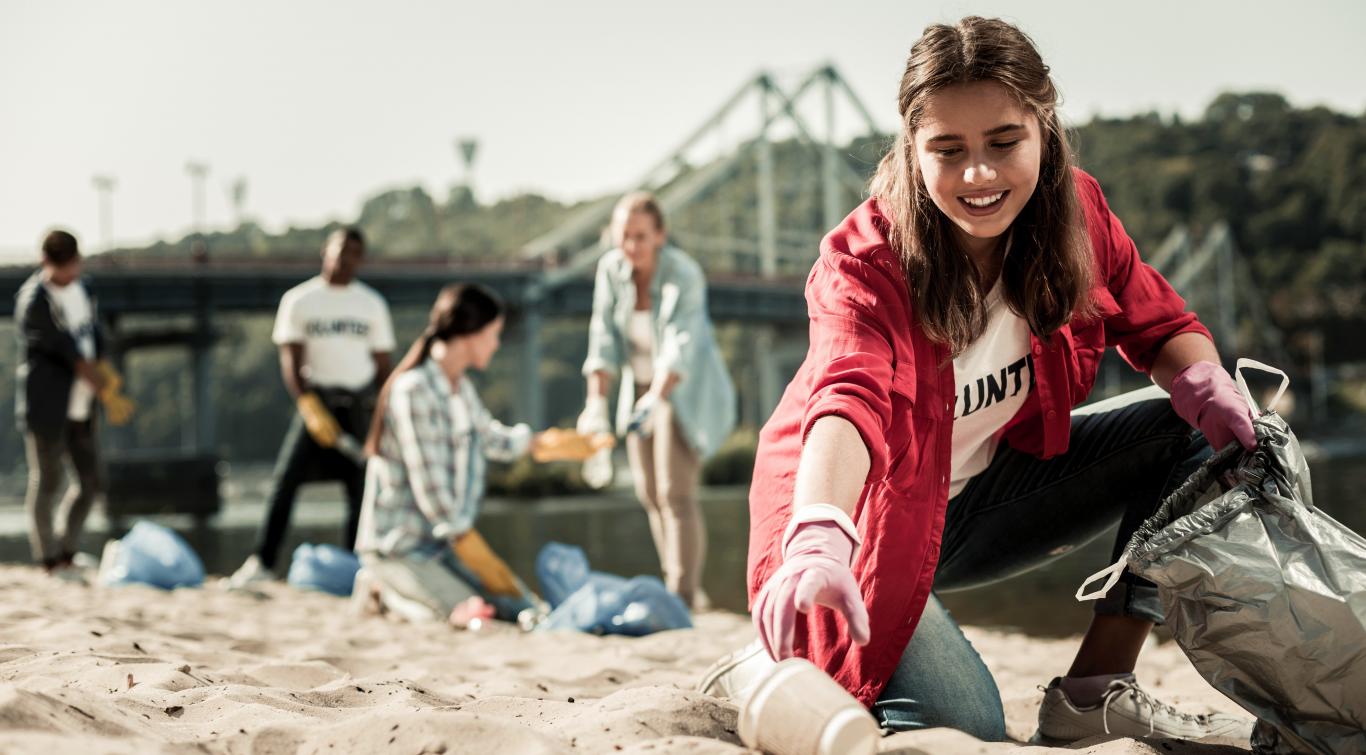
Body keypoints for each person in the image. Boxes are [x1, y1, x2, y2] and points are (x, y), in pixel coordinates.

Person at [731, 17, 1259, 744]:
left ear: (1044, 127)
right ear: (912, 150)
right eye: (948, 151)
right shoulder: (866, 260)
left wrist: (1206, 384)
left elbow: (1165, 326)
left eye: (1004, 143)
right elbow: (845, 400)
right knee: (963, 724)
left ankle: (1094, 688)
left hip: (980, 498)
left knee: (1188, 432)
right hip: (854, 520)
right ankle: (752, 667)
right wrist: (820, 529)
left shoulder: (1079, 215)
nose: (979, 175)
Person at [355, 283, 551, 624]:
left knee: (521, 610)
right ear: (470, 334)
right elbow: (430, 487)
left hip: (442, 547)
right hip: (400, 549)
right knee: (468, 616)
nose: (496, 344)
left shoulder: (461, 389)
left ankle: (407, 593)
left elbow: (488, 437)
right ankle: (380, 590)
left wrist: (538, 443)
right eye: (493, 334)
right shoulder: (413, 390)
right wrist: (470, 544)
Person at [578, 192, 737, 610]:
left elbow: (680, 346)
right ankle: (677, 584)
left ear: (660, 235)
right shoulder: (610, 271)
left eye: (640, 236)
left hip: (680, 389)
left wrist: (656, 397)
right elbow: (602, 340)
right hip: (637, 389)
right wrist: (596, 402)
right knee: (649, 494)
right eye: (623, 236)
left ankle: (682, 596)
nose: (631, 246)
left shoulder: (683, 273)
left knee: (676, 493)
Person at [230, 227, 394, 587]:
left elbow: (384, 367)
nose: (345, 258)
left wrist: (383, 418)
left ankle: (355, 569)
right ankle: (263, 563)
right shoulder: (300, 301)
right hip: (316, 404)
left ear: (360, 259)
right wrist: (306, 403)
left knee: (360, 489)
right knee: (285, 482)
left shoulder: (371, 304)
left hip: (358, 406)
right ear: (326, 251)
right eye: (340, 250)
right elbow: (290, 358)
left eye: (354, 252)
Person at [14, 230, 132, 579]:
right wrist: (106, 389)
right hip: (48, 407)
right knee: (47, 481)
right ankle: (49, 560)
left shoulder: (85, 289)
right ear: (46, 263)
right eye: (64, 267)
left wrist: (106, 373)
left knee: (91, 480)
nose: (71, 272)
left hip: (82, 407)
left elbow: (93, 338)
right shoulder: (33, 301)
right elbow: (67, 352)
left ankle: (67, 551)